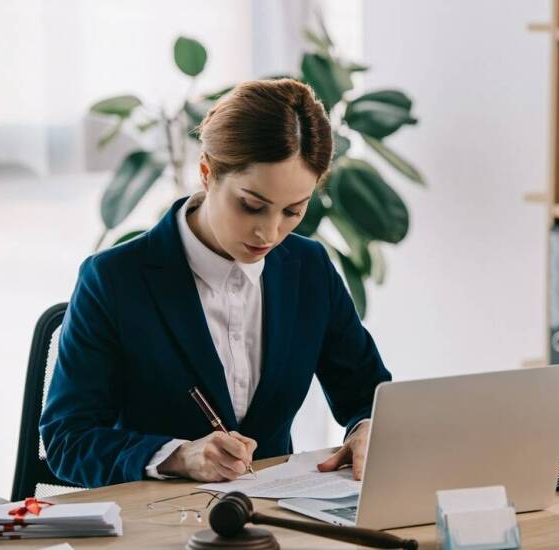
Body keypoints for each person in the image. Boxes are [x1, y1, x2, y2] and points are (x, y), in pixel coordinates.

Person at [40, 79, 391, 488]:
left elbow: (368, 392)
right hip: (157, 522)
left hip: (275, 520)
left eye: (293, 211)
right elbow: (68, 439)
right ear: (207, 173)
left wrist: (368, 428)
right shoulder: (114, 279)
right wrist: (177, 456)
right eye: (251, 206)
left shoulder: (308, 267)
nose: (269, 233)